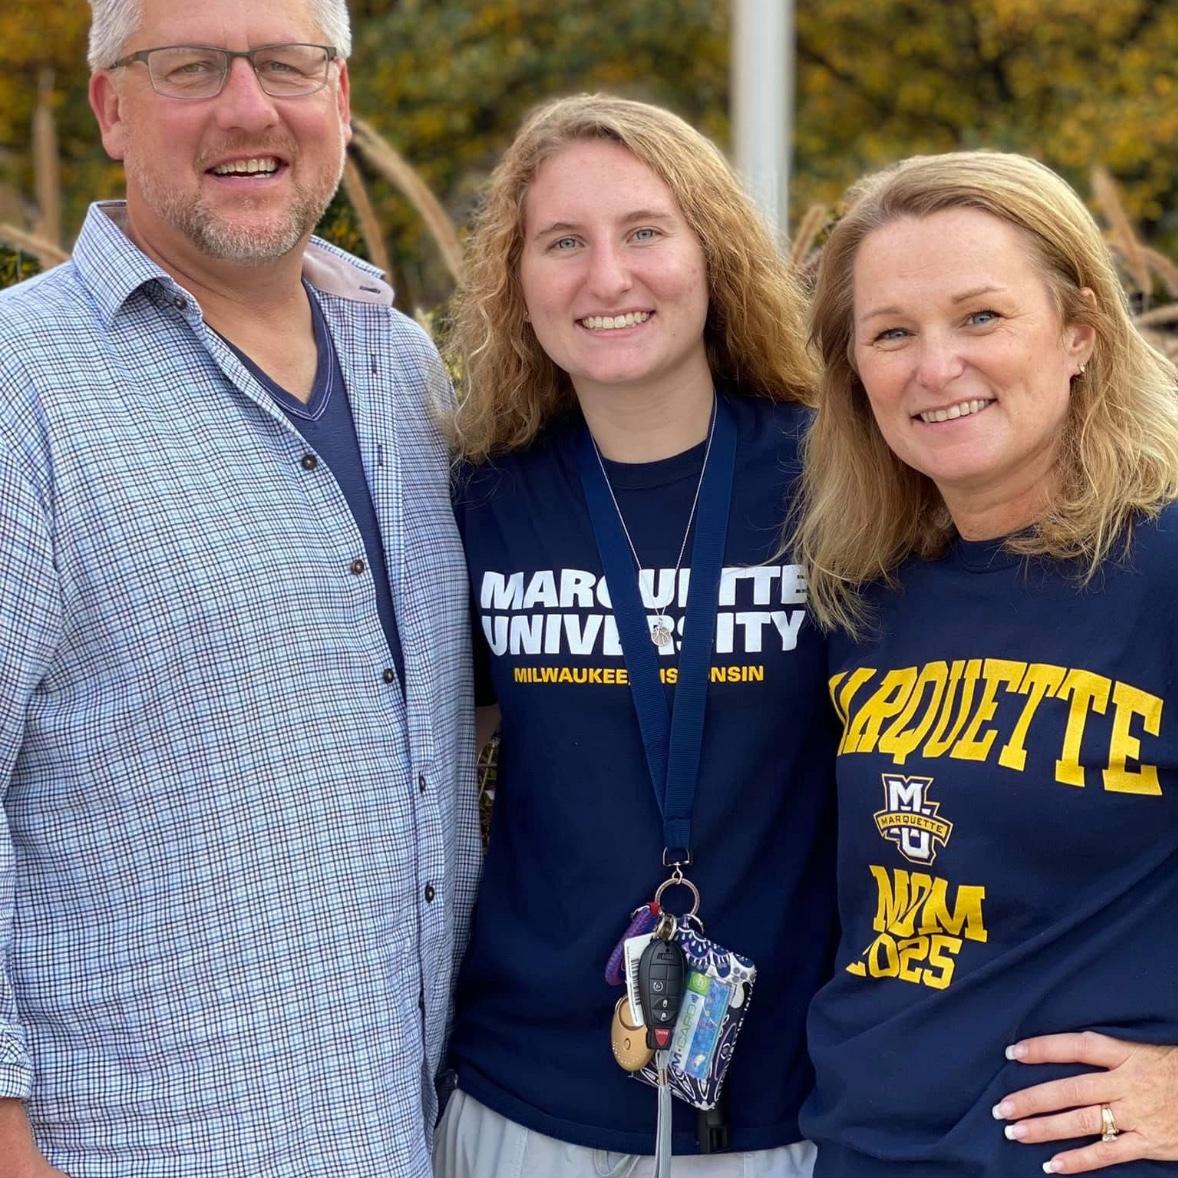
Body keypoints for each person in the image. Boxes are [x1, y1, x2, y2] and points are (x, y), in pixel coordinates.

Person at [0, 1, 479, 1174]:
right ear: (112, 107)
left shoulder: (405, 367)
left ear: (341, 99)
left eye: (285, 64)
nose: (249, 107)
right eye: (192, 68)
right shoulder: (22, 385)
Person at [435, 94, 838, 1178]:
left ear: (712, 254)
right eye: (563, 242)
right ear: (516, 279)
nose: (606, 277)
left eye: (645, 231)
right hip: (522, 1100)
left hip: (782, 1109)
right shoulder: (480, 498)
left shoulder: (838, 478)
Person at [791, 149, 1178, 1176]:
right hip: (867, 1147)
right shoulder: (866, 594)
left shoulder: (1164, 565)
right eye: (891, 333)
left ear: (1080, 331)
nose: (935, 367)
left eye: (980, 317)